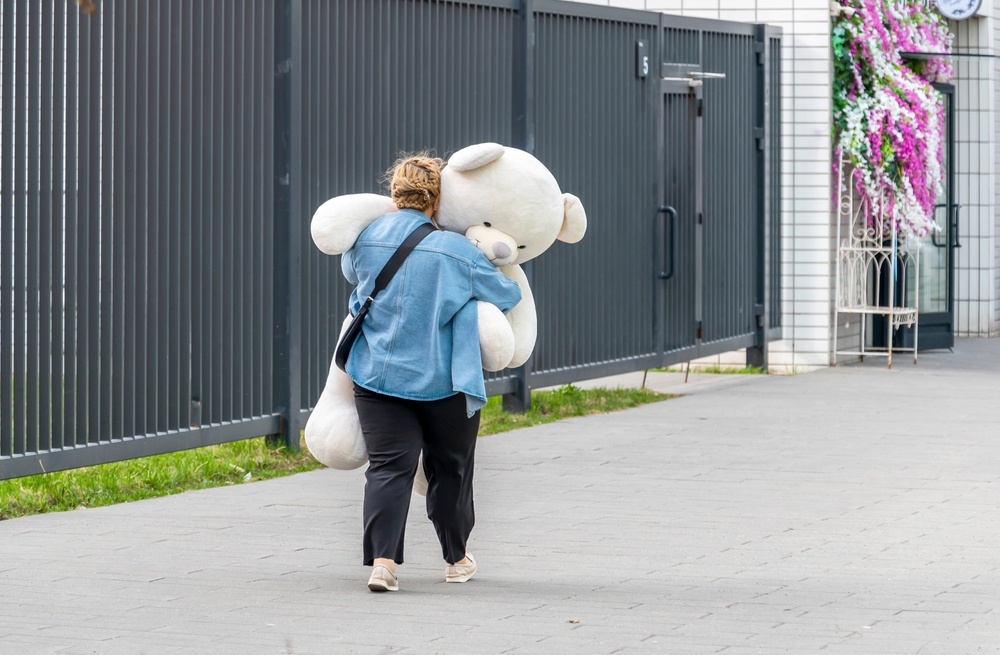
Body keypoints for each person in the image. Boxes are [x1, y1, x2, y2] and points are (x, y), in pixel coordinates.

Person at [340, 154, 523, 592]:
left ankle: (383, 565)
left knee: (388, 469)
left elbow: (352, 276)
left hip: (377, 377)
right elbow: (506, 294)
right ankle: (456, 559)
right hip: (444, 382)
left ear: (393, 194)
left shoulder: (365, 238)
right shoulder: (458, 251)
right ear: (437, 200)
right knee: (451, 470)